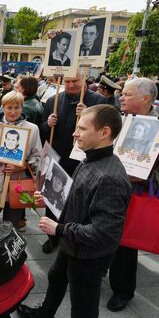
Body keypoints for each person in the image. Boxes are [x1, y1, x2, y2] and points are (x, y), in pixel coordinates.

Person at [18, 104, 132, 318]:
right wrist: (49, 198)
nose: (74, 132)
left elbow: (103, 234)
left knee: (83, 317)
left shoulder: (109, 177)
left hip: (89, 257)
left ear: (104, 132)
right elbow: (78, 197)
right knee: (56, 277)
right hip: (73, 245)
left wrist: (58, 229)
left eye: (81, 128)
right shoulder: (90, 158)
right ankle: (46, 315)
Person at [107, 78, 159, 313]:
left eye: (127, 94)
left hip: (136, 197)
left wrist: (145, 178)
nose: (121, 97)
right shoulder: (120, 121)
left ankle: (122, 290)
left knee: (125, 246)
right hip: (110, 189)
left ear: (146, 99)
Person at [39, 75, 107, 253]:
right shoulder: (54, 100)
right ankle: (52, 238)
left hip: (83, 162)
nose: (70, 85)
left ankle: (71, 237)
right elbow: (42, 130)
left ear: (84, 80)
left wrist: (88, 115)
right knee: (53, 201)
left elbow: (107, 131)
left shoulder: (98, 101)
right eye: (67, 81)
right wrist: (47, 124)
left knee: (77, 203)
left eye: (75, 81)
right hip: (58, 159)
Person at [0, 91, 42, 231]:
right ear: (2, 107)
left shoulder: (32, 129)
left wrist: (21, 166)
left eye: (17, 107)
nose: (13, 111)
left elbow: (37, 157)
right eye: (9, 107)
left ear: (22, 108)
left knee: (11, 228)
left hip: (17, 187)